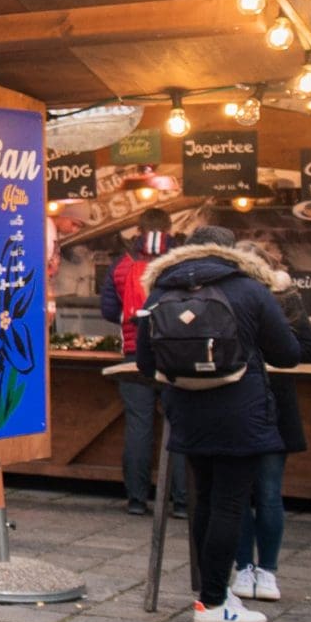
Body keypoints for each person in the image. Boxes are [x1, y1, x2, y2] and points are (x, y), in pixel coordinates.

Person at [136, 226, 304, 622]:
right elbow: (289, 354)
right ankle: (213, 603)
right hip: (241, 412)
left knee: (205, 502)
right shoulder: (250, 290)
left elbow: (145, 363)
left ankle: (213, 594)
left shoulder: (160, 291)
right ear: (232, 253)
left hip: (187, 412)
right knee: (229, 504)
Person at [233, 250, 311, 603]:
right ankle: (246, 568)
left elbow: (307, 351)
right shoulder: (228, 295)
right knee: (240, 492)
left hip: (272, 401)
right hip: (238, 401)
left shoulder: (283, 297)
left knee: (265, 491)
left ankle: (264, 570)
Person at [99, 209, 186, 517]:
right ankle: (182, 502)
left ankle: (137, 499)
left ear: (138, 230)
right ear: (170, 228)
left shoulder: (122, 265)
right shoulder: (184, 261)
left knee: (139, 424)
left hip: (136, 354)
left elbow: (109, 310)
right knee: (179, 426)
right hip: (177, 354)